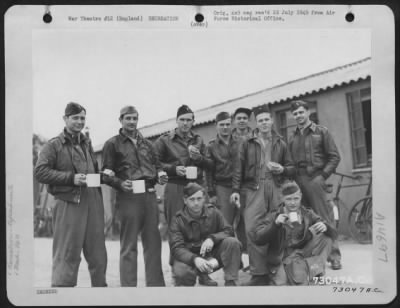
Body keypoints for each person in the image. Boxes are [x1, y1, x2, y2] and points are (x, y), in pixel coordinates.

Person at [35, 102, 107, 287]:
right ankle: (62, 294)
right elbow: (40, 172)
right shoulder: (54, 145)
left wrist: (104, 178)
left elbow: (92, 173)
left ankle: (102, 295)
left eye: (82, 118)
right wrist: (71, 178)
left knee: (98, 254)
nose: (79, 121)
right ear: (65, 119)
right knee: (67, 253)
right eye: (75, 118)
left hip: (93, 202)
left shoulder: (87, 143)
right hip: (68, 203)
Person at [101, 106, 167, 287]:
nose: (132, 122)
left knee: (153, 243)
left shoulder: (147, 144)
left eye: (134, 118)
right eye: (128, 118)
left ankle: (156, 287)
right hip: (128, 197)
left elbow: (158, 165)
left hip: (149, 195)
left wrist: (161, 174)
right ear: (120, 120)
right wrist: (120, 183)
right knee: (129, 245)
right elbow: (106, 174)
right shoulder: (112, 144)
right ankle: (129, 289)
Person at [231, 104, 295, 286]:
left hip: (275, 187)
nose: (264, 123)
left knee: (279, 226)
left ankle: (275, 268)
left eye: (267, 119)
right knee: (253, 228)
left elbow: (292, 168)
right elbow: (238, 168)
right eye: (260, 120)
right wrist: (236, 190)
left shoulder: (280, 142)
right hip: (253, 189)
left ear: (272, 120)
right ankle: (259, 274)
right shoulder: (247, 142)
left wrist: (282, 168)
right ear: (256, 123)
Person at [288, 100, 342, 270]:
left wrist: (323, 176)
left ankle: (334, 256)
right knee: (301, 220)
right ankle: (309, 257)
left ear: (308, 112)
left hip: (316, 180)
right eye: (295, 114)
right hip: (298, 181)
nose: (298, 116)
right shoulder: (293, 137)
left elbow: (334, 157)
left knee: (324, 218)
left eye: (301, 112)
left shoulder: (321, 132)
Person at [249, 181, 337, 285]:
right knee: (283, 285)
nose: (293, 203)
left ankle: (312, 269)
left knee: (326, 239)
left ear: (300, 197)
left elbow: (334, 235)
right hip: (284, 258)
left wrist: (325, 226)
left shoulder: (307, 213)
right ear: (282, 199)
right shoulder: (274, 215)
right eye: (288, 199)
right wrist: (275, 224)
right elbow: (258, 238)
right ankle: (307, 271)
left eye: (296, 198)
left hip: (302, 253)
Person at [169, 183, 242, 286]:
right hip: (190, 259)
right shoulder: (177, 220)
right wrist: (195, 259)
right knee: (182, 273)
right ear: (185, 200)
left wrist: (212, 239)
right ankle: (187, 292)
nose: (196, 203)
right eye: (192, 199)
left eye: (199, 199)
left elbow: (228, 230)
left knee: (232, 243)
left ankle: (231, 281)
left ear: (204, 198)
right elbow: (176, 248)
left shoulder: (213, 211)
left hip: (210, 256)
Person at [154, 104, 208, 226]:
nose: (185, 123)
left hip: (197, 186)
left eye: (188, 120)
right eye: (182, 120)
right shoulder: (164, 140)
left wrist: (199, 158)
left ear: (193, 122)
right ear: (176, 121)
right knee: (176, 224)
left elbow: (208, 163)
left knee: (200, 225)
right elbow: (154, 162)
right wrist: (173, 169)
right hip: (175, 186)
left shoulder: (198, 140)